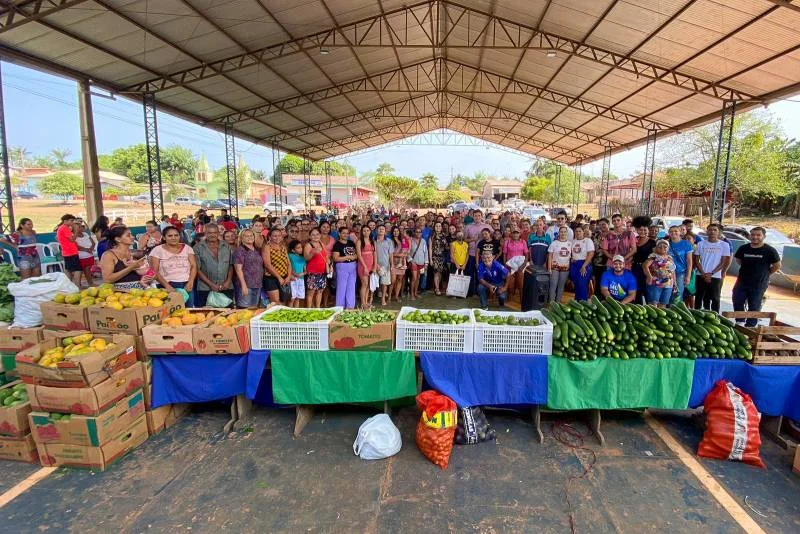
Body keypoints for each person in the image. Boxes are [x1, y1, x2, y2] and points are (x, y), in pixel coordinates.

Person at [732, 227, 781, 326]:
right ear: (749, 236)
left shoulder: (770, 250)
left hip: (759, 284)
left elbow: (777, 266)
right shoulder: (743, 248)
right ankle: (740, 322)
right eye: (753, 235)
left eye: (758, 235)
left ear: (764, 236)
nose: (755, 237)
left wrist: (766, 274)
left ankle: (751, 326)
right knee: (737, 300)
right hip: (742, 282)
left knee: (754, 305)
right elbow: (738, 260)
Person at [149, 226, 197, 306]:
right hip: (166, 284)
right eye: (170, 236)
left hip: (187, 284)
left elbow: (193, 265)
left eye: (176, 235)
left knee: (189, 311)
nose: (173, 238)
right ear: (164, 237)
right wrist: (167, 286)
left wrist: (191, 281)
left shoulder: (187, 248)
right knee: (170, 312)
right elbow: (154, 271)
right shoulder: (157, 250)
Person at [693, 223, 731, 313]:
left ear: (719, 232)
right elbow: (696, 260)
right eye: (710, 230)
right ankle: (697, 315)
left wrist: (712, 273)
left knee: (715, 298)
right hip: (701, 275)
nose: (712, 232)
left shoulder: (724, 245)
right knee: (699, 297)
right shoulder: (701, 244)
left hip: (716, 276)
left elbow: (724, 261)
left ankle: (715, 316)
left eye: (715, 230)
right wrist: (703, 273)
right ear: (707, 231)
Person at [193, 223, 233, 306]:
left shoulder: (226, 246)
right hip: (205, 288)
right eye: (209, 233)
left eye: (215, 232)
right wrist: (211, 285)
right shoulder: (198, 247)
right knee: (207, 314)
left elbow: (230, 265)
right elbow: (197, 269)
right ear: (205, 233)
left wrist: (228, 281)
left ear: (218, 233)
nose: (212, 235)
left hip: (226, 286)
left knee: (228, 314)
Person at [100, 226, 152, 290]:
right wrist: (130, 268)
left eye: (131, 235)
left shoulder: (135, 253)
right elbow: (107, 279)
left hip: (140, 290)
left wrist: (141, 267)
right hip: (120, 293)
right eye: (128, 235)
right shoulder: (108, 255)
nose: (132, 237)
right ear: (118, 239)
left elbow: (150, 272)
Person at [234, 229, 265, 308]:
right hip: (246, 285)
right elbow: (238, 269)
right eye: (246, 236)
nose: (249, 237)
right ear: (241, 238)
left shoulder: (257, 249)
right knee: (244, 309)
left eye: (251, 235)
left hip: (257, 284)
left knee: (254, 309)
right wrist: (243, 285)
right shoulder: (240, 250)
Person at [463, 210, 491, 296]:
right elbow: (464, 240)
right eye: (475, 216)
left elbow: (493, 237)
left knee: (483, 274)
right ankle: (471, 292)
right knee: (470, 273)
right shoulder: (468, 227)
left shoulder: (487, 226)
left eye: (479, 215)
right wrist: (473, 239)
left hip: (484, 256)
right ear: (473, 216)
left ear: (482, 216)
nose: (477, 217)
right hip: (471, 253)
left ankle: (481, 292)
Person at [262, 225, 291, 305]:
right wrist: (279, 277)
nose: (277, 237)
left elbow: (288, 263)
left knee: (284, 301)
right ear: (270, 237)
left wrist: (288, 276)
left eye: (279, 235)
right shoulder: (267, 247)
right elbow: (267, 265)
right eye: (274, 236)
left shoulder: (283, 247)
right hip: (271, 278)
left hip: (284, 277)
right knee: (276, 302)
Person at [643, 240, 676, 308]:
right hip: (655, 283)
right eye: (660, 246)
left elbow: (672, 270)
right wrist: (649, 277)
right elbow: (645, 266)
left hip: (668, 284)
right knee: (653, 304)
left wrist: (675, 283)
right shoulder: (653, 256)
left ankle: (661, 318)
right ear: (656, 247)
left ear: (668, 248)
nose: (662, 248)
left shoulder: (670, 257)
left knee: (663, 304)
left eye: (665, 246)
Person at [631, 216, 656, 305]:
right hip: (635, 268)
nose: (643, 232)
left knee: (647, 290)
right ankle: (638, 308)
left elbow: (654, 256)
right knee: (636, 290)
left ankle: (650, 310)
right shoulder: (633, 241)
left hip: (647, 269)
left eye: (645, 230)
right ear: (637, 230)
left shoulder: (652, 242)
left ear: (648, 230)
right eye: (641, 230)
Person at [332, 227, 358, 309]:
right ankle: (340, 306)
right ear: (339, 234)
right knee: (341, 287)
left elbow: (357, 255)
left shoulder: (351, 243)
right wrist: (348, 257)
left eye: (347, 233)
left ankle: (350, 306)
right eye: (343, 233)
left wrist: (353, 257)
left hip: (353, 266)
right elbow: (336, 258)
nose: (345, 235)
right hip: (342, 266)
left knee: (351, 287)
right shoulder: (337, 244)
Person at [667, 225, 693, 304]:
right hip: (667, 273)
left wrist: (688, 276)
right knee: (667, 293)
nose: (673, 233)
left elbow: (689, 261)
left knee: (678, 293)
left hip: (680, 272)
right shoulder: (666, 243)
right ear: (668, 233)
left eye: (676, 231)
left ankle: (677, 311)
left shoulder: (686, 244)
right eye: (671, 231)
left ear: (680, 232)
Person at [303, 227, 329, 308]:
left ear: (320, 235)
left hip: (322, 271)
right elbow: (306, 257)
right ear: (310, 236)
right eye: (313, 235)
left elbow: (326, 256)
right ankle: (309, 309)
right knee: (311, 292)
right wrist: (313, 253)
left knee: (320, 291)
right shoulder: (308, 245)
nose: (315, 236)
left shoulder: (321, 244)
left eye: (317, 234)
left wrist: (329, 264)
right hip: (313, 272)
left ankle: (317, 308)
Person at [547, 226, 572, 303]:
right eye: (561, 232)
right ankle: (551, 303)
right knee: (553, 286)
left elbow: (572, 256)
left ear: (567, 233)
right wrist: (549, 268)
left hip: (565, 268)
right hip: (555, 268)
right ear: (559, 233)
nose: (563, 233)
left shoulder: (570, 244)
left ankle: (558, 303)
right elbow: (550, 256)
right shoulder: (554, 243)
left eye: (564, 232)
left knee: (561, 287)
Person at [569, 226, 594, 301]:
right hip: (574, 265)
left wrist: (584, 266)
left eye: (580, 231)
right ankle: (577, 301)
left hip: (584, 263)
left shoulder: (588, 240)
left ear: (583, 232)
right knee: (576, 283)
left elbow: (591, 253)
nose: (578, 233)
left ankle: (584, 303)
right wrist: (571, 258)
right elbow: (570, 252)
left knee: (582, 284)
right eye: (576, 231)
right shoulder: (573, 241)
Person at [56, 214, 82, 286]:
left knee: (68, 270)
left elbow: (58, 238)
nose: (73, 222)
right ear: (65, 221)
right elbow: (72, 239)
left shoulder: (61, 228)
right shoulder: (64, 228)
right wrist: (76, 231)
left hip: (66, 251)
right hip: (71, 252)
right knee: (77, 269)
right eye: (71, 220)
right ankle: (77, 286)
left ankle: (69, 286)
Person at [502, 228, 528, 299]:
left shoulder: (523, 242)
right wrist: (505, 265)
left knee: (521, 284)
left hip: (520, 266)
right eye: (514, 233)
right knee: (510, 284)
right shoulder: (507, 242)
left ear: (520, 234)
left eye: (517, 233)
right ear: (511, 234)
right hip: (510, 266)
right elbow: (504, 254)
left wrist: (523, 265)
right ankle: (510, 299)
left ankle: (521, 299)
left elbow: (526, 254)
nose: (515, 234)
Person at [356, 225, 375, 308]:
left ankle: (366, 302)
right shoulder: (359, 241)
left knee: (368, 285)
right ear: (362, 232)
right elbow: (359, 255)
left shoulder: (372, 241)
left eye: (368, 230)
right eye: (364, 230)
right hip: (363, 265)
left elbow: (375, 254)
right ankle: (363, 303)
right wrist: (365, 267)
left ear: (370, 231)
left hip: (371, 264)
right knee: (364, 284)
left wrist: (374, 266)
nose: (366, 232)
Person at [407, 227, 428, 300]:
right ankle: (412, 294)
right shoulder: (410, 240)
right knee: (414, 278)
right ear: (414, 233)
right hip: (414, 263)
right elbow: (407, 252)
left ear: (421, 233)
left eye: (419, 232)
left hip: (421, 262)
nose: (418, 233)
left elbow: (426, 252)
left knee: (418, 278)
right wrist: (411, 260)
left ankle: (415, 293)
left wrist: (426, 263)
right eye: (417, 232)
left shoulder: (423, 241)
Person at [429, 222, 449, 296]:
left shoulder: (443, 235)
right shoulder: (432, 236)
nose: (438, 227)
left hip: (442, 257)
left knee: (440, 273)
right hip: (435, 257)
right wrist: (430, 259)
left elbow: (446, 247)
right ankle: (437, 289)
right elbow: (430, 248)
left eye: (439, 226)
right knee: (436, 273)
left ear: (441, 227)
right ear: (434, 227)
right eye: (436, 226)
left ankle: (437, 287)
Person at [74, 220, 97, 287]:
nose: (81, 228)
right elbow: (77, 246)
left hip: (89, 255)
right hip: (81, 256)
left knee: (88, 269)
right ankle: (86, 283)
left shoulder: (85, 234)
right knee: (82, 270)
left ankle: (89, 282)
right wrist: (87, 250)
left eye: (81, 226)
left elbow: (93, 242)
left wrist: (91, 248)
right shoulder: (74, 236)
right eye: (79, 227)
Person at [591, 218, 610, 294]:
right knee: (598, 282)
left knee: (606, 284)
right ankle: (597, 301)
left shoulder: (612, 235)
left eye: (604, 224)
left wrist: (603, 250)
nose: (602, 226)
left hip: (608, 263)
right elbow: (592, 248)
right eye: (600, 225)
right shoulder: (596, 235)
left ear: (608, 224)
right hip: (596, 263)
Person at [391, 227, 408, 302]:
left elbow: (406, 251)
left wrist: (404, 255)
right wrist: (399, 255)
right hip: (393, 262)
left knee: (400, 279)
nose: (396, 232)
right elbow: (390, 253)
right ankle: (389, 296)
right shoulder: (390, 241)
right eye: (394, 231)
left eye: (397, 231)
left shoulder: (402, 240)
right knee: (393, 281)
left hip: (402, 263)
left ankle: (397, 296)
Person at [288, 240, 306, 308]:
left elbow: (305, 270)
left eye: (301, 247)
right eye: (298, 248)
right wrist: (294, 273)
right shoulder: (290, 256)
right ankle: (290, 312)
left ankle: (296, 311)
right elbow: (288, 266)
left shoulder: (303, 258)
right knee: (292, 298)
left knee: (298, 298)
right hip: (293, 279)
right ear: (293, 250)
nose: (301, 249)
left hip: (301, 279)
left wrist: (302, 274)